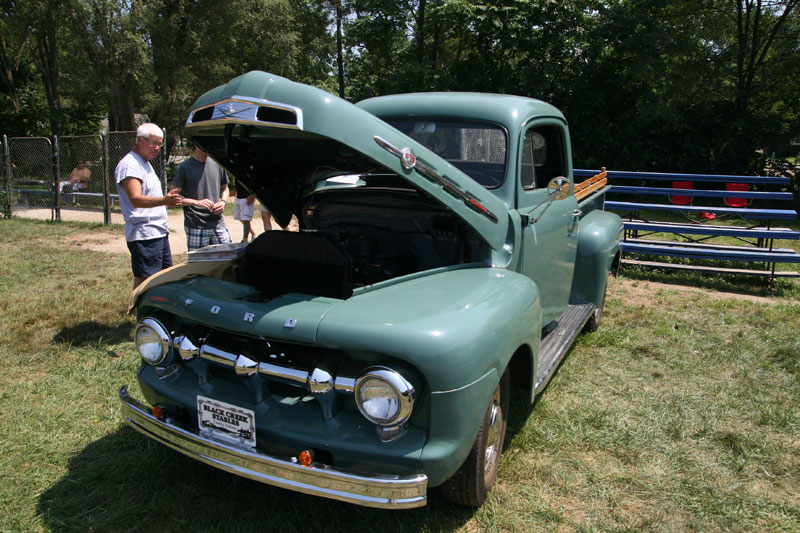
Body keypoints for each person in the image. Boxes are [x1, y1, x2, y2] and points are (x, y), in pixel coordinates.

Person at [115, 123, 182, 289]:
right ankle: (137, 310)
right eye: (153, 143)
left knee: (163, 276)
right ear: (139, 140)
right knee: (146, 280)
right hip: (144, 233)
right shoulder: (130, 165)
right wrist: (165, 201)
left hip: (157, 231)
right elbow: (136, 199)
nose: (157, 148)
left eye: (160, 144)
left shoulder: (144, 162)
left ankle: (154, 311)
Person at [169, 144, 232, 251]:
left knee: (229, 261)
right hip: (196, 226)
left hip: (218, 223)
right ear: (195, 145)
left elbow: (225, 188)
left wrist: (223, 202)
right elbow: (172, 196)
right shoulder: (184, 167)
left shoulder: (218, 164)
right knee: (198, 264)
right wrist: (196, 202)